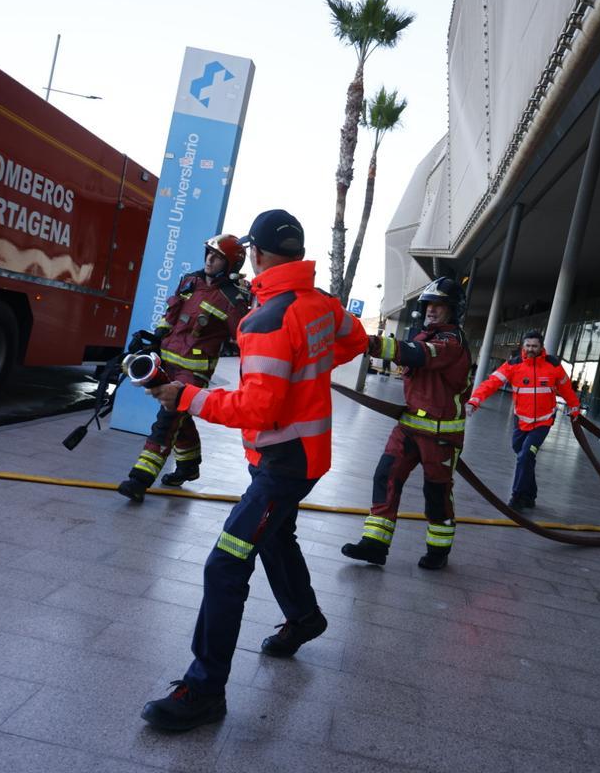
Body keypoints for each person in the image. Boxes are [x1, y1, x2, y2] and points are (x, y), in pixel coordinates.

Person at [139, 209, 368, 732]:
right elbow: (355, 342)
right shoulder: (321, 305)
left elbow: (257, 410)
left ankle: (204, 689)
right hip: (303, 454)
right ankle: (305, 618)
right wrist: (307, 374)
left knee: (226, 564)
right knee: (274, 536)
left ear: (258, 255)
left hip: (281, 461)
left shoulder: (265, 321)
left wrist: (187, 397)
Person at [341, 278, 473, 570]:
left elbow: (417, 355)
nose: (432, 310)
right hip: (409, 427)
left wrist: (370, 343)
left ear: (453, 311)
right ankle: (375, 544)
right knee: (385, 476)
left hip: (440, 437)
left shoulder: (451, 342)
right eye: (429, 305)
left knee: (436, 493)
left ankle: (438, 550)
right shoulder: (427, 335)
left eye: (440, 306)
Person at [117, 235, 251, 502]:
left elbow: (246, 339)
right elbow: (170, 316)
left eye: (217, 257)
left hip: (194, 371)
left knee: (167, 420)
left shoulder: (234, 298)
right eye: (208, 253)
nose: (209, 260)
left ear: (230, 264)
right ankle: (189, 466)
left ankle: (139, 479)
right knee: (180, 415)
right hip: (166, 361)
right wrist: (154, 339)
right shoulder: (190, 280)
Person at [465, 329, 580, 509]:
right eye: (528, 345)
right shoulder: (513, 365)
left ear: (541, 347)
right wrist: (475, 400)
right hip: (521, 420)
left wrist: (574, 407)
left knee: (526, 455)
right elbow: (491, 383)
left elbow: (566, 389)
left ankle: (517, 497)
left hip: (543, 421)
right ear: (523, 346)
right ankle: (530, 495)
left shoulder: (553, 365)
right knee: (523, 455)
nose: (531, 349)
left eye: (534, 346)